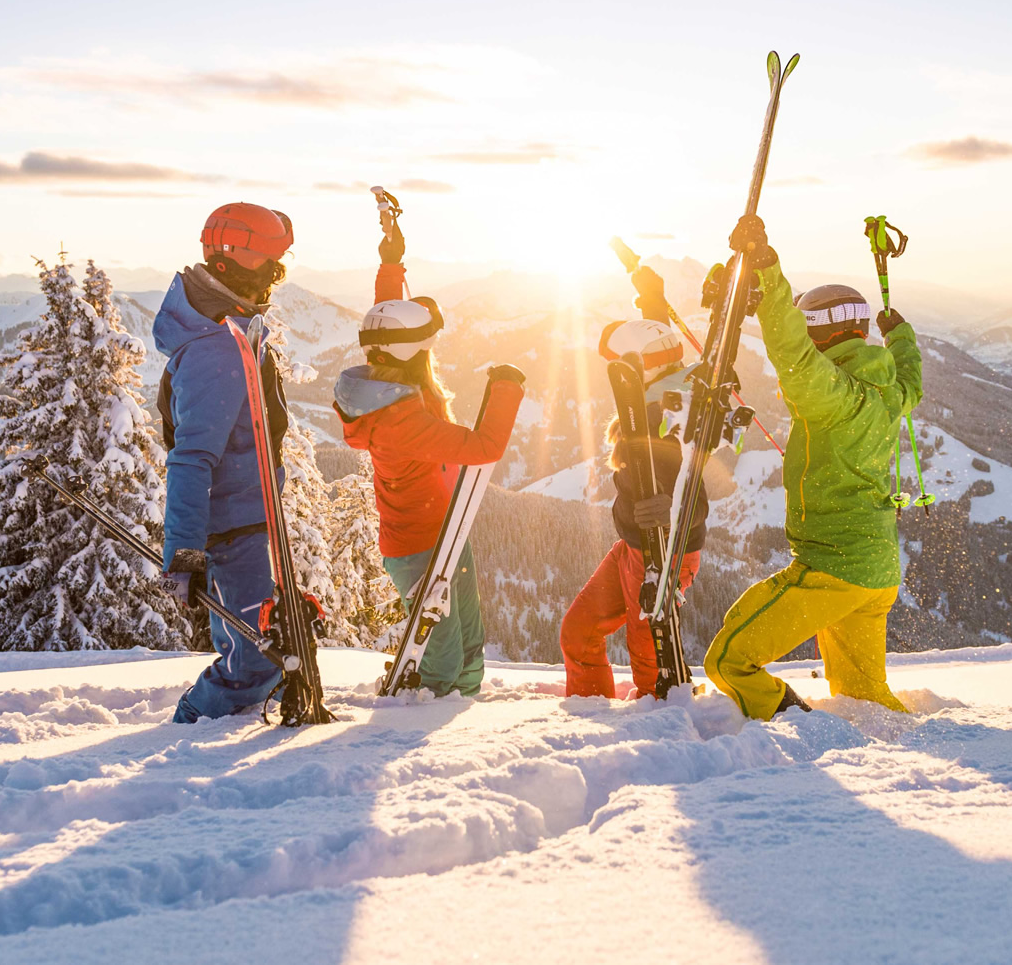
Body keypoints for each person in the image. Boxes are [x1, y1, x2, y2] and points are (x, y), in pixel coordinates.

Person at [704, 214, 921, 719]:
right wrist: (902, 336)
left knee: (729, 661)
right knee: (864, 698)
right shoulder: (891, 391)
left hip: (834, 567)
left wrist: (767, 268)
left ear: (822, 335)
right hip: (878, 572)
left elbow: (791, 350)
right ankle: (905, 752)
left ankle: (792, 723)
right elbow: (912, 375)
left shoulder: (835, 396)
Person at [335, 213, 524, 696]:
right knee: (442, 654)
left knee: (470, 643)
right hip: (421, 548)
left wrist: (391, 264)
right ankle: (425, 726)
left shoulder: (388, 379)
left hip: (446, 532)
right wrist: (506, 387)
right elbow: (484, 448)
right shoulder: (400, 421)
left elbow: (388, 320)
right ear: (414, 353)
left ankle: (465, 712)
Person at [155, 202, 297, 723]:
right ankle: (190, 728)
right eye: (269, 267)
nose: (275, 280)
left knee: (273, 645)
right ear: (232, 264)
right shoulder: (216, 347)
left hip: (251, 522)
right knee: (251, 664)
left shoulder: (234, 328)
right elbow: (191, 458)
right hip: (232, 531)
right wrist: (185, 550)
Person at [558, 264, 708, 698]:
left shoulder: (678, 414)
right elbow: (656, 340)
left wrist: (675, 511)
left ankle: (662, 737)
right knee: (579, 630)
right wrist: (650, 298)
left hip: (666, 553)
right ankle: (589, 713)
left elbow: (697, 486)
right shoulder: (648, 392)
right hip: (633, 547)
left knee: (651, 663)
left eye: (622, 366)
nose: (615, 372)